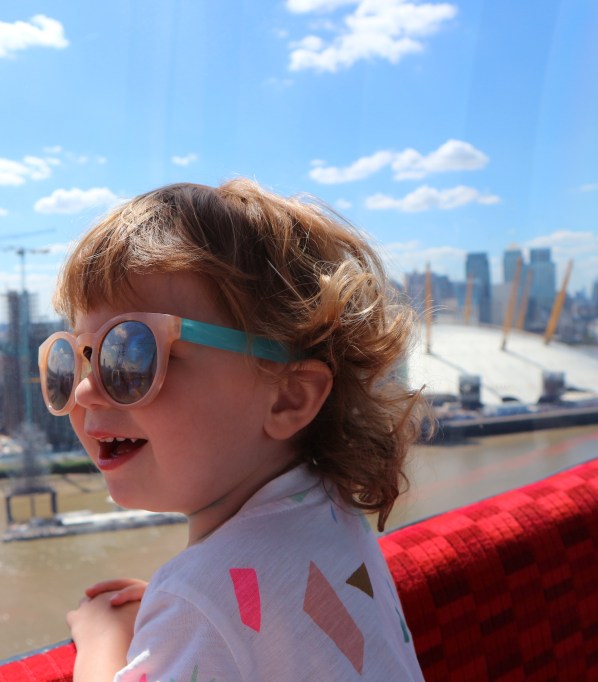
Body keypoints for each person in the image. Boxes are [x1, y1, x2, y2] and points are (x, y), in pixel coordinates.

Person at [38, 179, 427, 681]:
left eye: (132, 354)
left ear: (289, 397)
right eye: (77, 357)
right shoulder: (332, 509)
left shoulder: (197, 600)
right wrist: (196, 613)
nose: (86, 390)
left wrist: (103, 639)